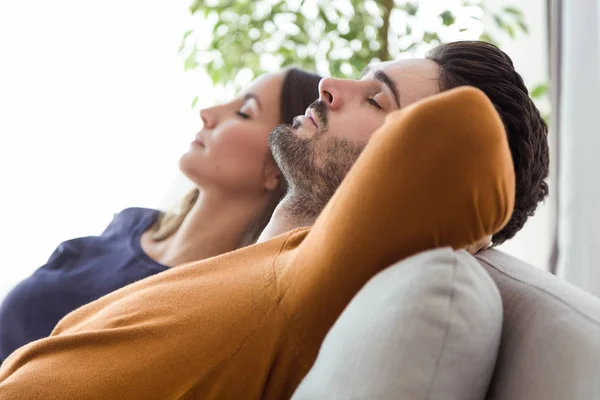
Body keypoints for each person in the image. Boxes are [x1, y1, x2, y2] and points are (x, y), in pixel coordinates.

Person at [0, 41, 548, 399]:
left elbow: (470, 133)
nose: (329, 84)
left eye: (377, 100)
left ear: (414, 162)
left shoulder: (314, 279)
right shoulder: (251, 266)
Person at [0, 68, 323, 363]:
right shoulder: (130, 223)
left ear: (279, 166)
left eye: (244, 112)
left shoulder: (211, 311)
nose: (207, 113)